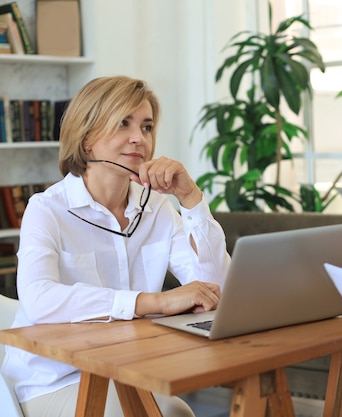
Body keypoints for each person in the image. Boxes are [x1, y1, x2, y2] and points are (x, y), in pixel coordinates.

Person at [1, 76, 231, 417]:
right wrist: (152, 302)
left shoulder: (158, 208)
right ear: (87, 137)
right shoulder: (46, 208)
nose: (139, 138)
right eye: (123, 123)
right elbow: (39, 298)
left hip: (126, 373)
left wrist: (191, 199)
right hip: (52, 380)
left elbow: (216, 289)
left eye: (147, 126)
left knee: (176, 412)